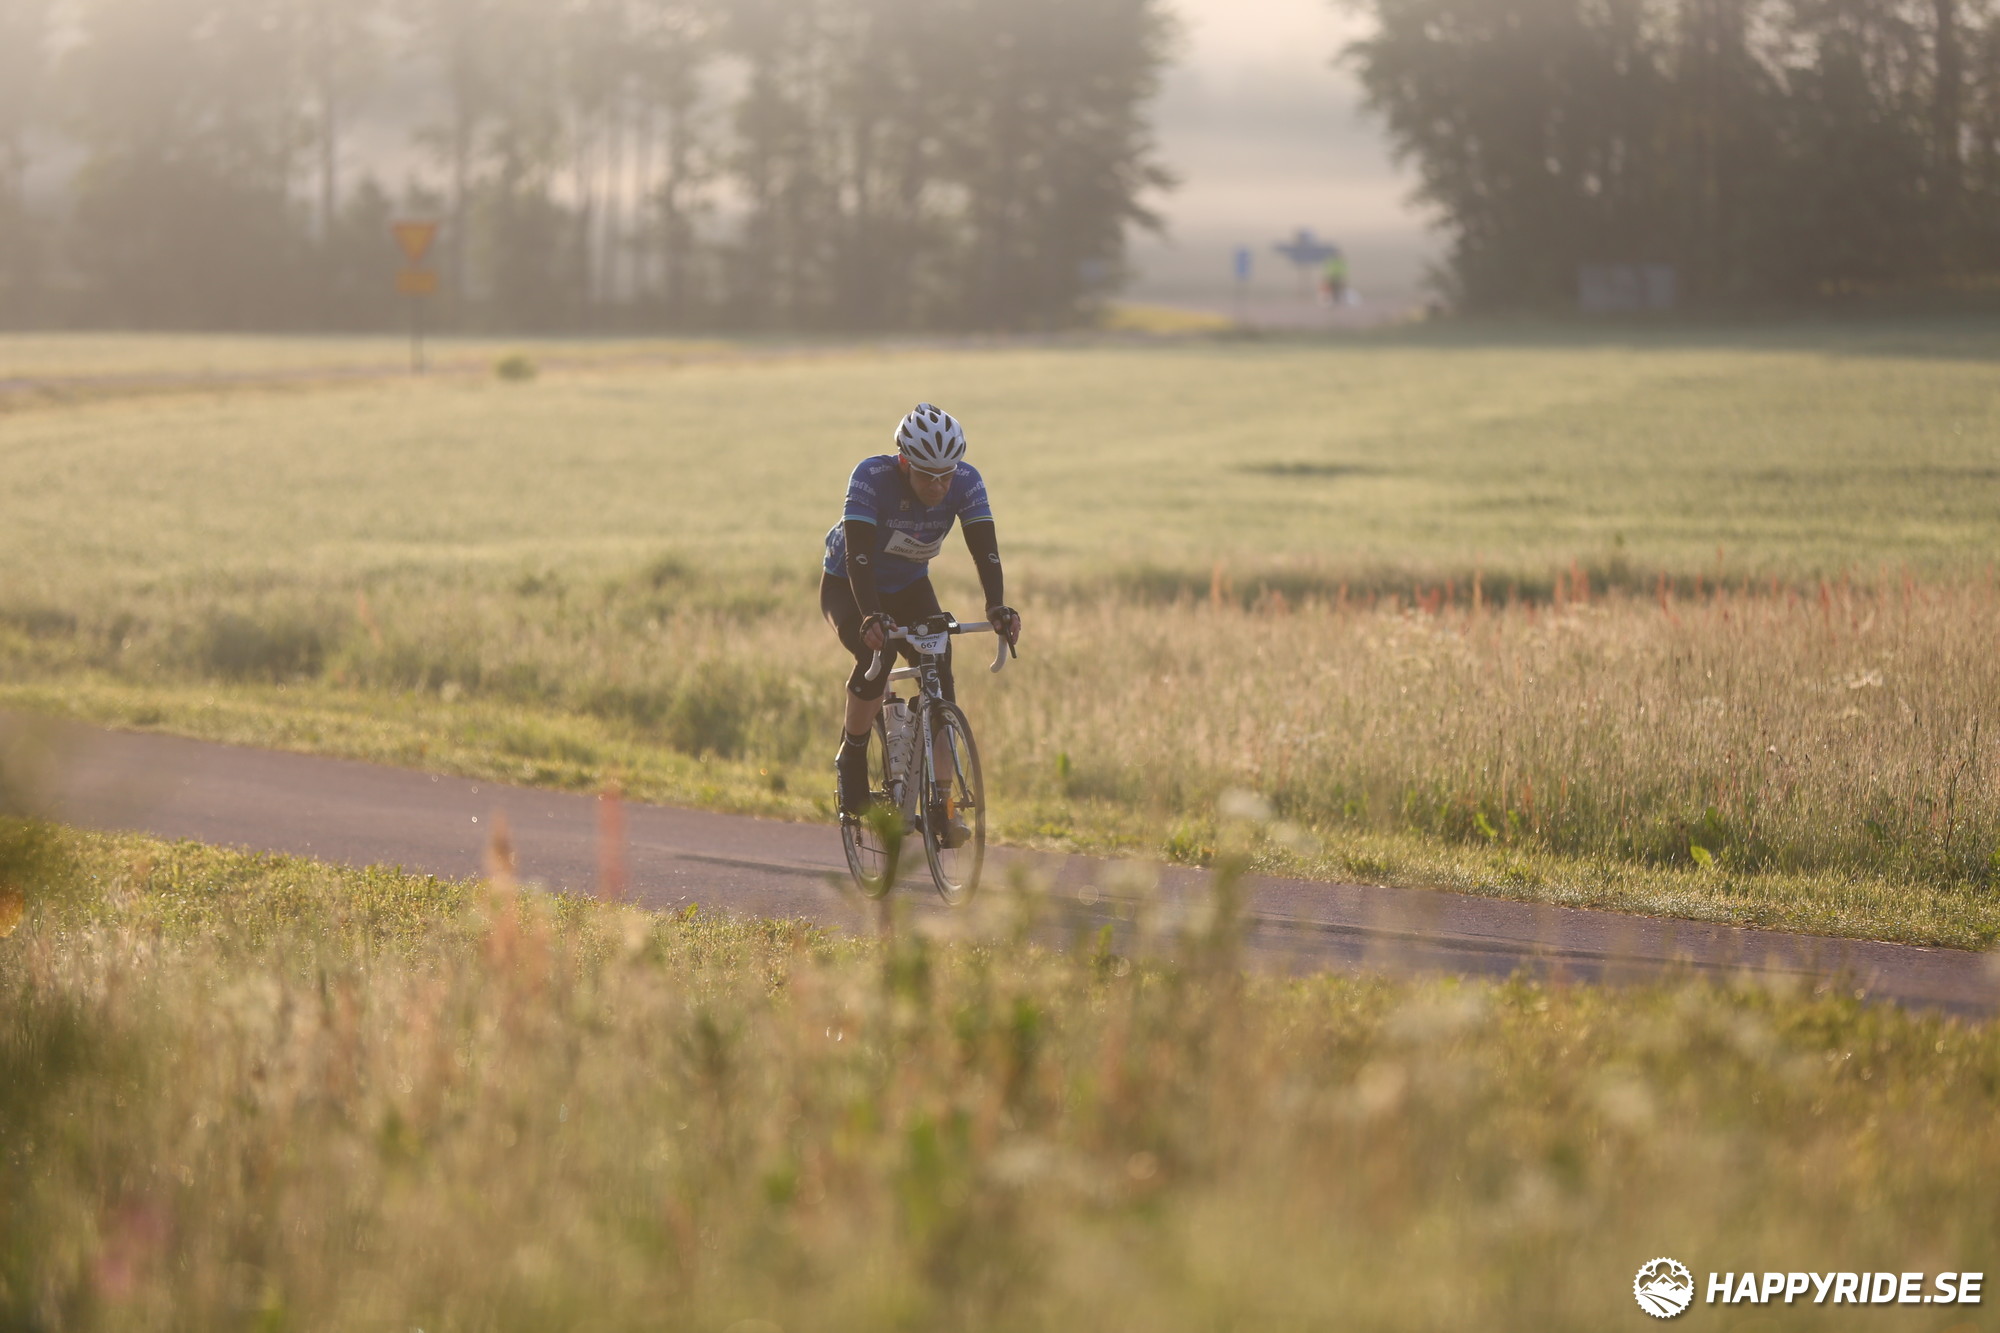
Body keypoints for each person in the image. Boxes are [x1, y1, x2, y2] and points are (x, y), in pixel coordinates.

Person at [822, 403, 1021, 827]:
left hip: (910, 585)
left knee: (939, 668)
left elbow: (985, 549)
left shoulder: (966, 481)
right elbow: (858, 557)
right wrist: (871, 616)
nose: (939, 485)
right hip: (851, 586)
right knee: (877, 656)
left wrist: (996, 607)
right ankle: (851, 757)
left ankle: (941, 805)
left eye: (946, 475)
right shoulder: (871, 477)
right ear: (904, 463)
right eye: (928, 475)